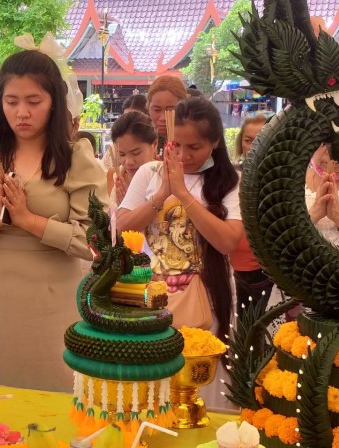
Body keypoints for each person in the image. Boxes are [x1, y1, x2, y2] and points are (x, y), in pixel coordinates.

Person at [0, 49, 107, 392]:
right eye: (11, 101)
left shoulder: (76, 157)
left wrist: (28, 219)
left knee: (54, 402)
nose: (22, 112)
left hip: (53, 301)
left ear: (54, 103)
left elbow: (94, 244)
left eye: (34, 101)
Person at [117, 97, 241, 411]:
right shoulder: (149, 172)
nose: (184, 156)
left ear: (214, 142)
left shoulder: (229, 182)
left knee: (199, 390)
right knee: (151, 391)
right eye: (178, 146)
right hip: (150, 298)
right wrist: (161, 195)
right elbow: (120, 228)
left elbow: (228, 242)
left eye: (195, 147)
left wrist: (183, 195)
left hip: (208, 299)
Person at [228, 114, 276, 317]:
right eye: (248, 140)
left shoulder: (280, 179)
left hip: (266, 273)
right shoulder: (229, 176)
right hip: (231, 270)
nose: (253, 146)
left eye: (260, 140)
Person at [105, 111, 158, 205]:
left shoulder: (163, 179)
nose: (128, 162)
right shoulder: (113, 176)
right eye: (122, 154)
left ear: (154, 145)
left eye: (136, 153)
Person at [146, 75, 188, 155]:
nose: (163, 118)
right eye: (157, 110)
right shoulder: (143, 141)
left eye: (170, 110)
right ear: (148, 108)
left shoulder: (191, 141)